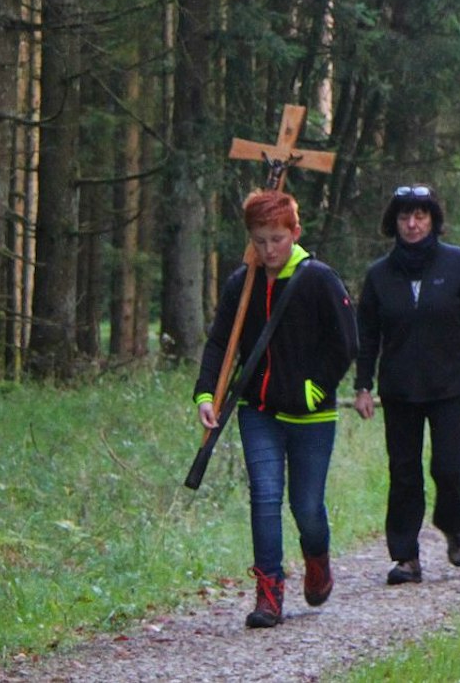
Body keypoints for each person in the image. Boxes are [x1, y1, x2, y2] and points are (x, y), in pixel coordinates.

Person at [193, 190, 357, 629]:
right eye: (260, 240)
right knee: (264, 497)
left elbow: (345, 343)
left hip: (311, 417)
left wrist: (314, 390)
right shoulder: (241, 284)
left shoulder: (319, 279)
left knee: (306, 507)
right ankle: (269, 593)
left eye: (277, 240)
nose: (269, 250)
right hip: (258, 410)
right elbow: (220, 343)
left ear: (295, 233)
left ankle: (317, 556)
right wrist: (206, 395)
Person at [352, 185, 460, 585]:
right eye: (404, 217)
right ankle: (405, 556)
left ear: (433, 220)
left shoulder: (459, 264)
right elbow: (368, 336)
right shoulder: (379, 275)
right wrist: (362, 386)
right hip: (399, 388)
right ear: (393, 223)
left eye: (420, 216)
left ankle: (452, 524)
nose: (412, 224)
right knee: (403, 472)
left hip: (451, 384)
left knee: (448, 468)